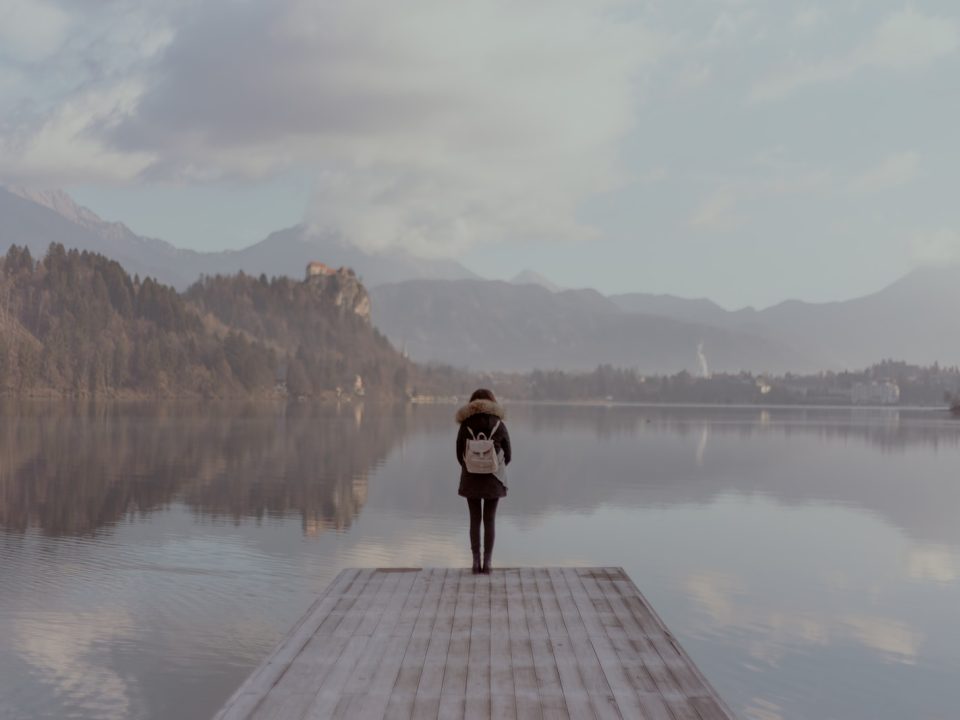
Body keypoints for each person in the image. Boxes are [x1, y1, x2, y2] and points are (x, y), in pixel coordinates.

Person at [455, 388, 511, 574]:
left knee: (474, 519)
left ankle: (475, 562)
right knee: (490, 520)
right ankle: (487, 563)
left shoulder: (465, 424)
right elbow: (508, 455)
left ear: (472, 403)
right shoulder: (499, 424)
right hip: (493, 479)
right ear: (493, 402)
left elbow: (458, 454)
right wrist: (493, 464)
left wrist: (473, 465)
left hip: (471, 478)